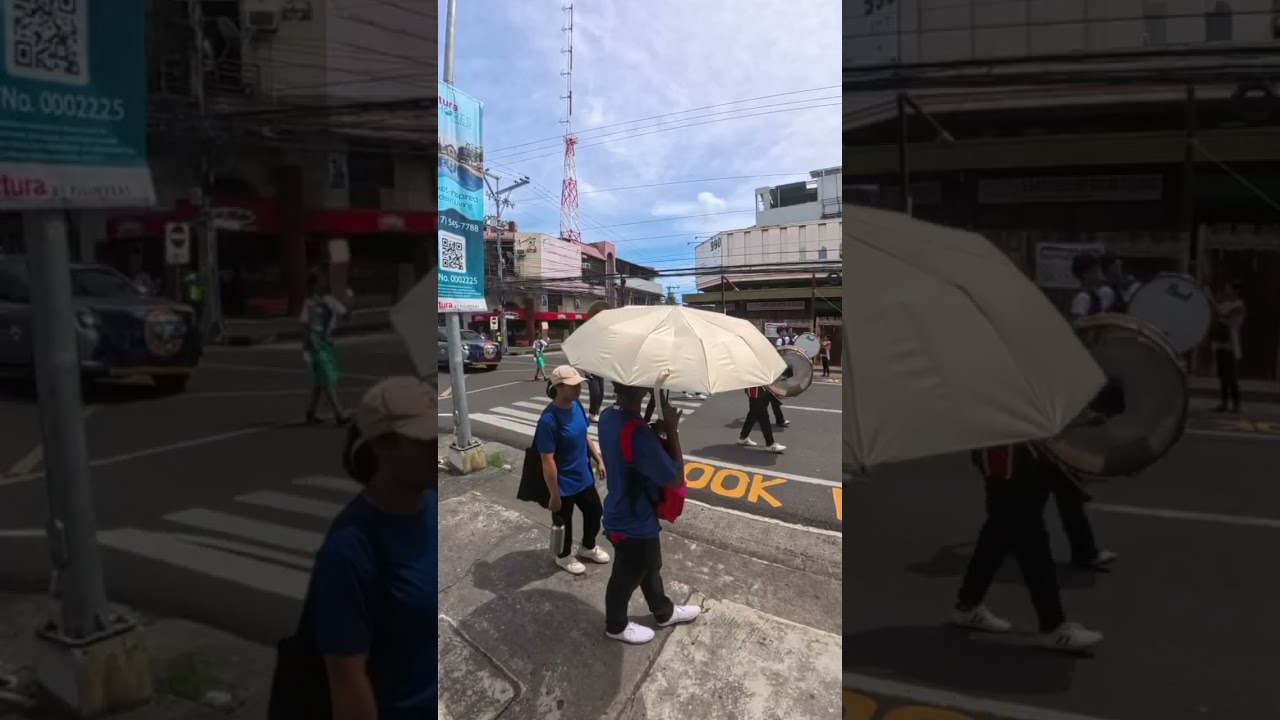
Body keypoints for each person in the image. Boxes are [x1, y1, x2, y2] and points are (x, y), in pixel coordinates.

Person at [308, 377, 438, 717]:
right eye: (425, 440)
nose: (438, 447)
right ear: (383, 444)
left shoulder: (435, 503)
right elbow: (347, 680)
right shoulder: (349, 551)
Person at [953, 442, 1104, 652]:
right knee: (1032, 543)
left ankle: (967, 605)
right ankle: (1053, 626)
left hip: (1019, 457)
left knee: (997, 536)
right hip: (1009, 459)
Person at [598, 383, 701, 644]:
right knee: (627, 576)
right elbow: (676, 479)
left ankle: (663, 611)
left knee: (650, 566)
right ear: (644, 388)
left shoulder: (610, 416)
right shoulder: (638, 434)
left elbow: (628, 447)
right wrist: (672, 431)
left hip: (620, 509)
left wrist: (649, 426)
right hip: (633, 522)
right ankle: (616, 625)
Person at [537, 365, 610, 575]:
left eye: (579, 384)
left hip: (583, 476)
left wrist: (598, 459)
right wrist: (554, 494)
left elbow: (584, 435)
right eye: (573, 385)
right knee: (563, 523)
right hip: (563, 483)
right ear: (558, 387)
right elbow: (547, 460)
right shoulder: (549, 420)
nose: (578, 389)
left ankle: (587, 547)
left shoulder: (576, 406)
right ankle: (563, 556)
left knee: (595, 511)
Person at [301, 274, 350, 426]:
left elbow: (346, 316)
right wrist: (307, 342)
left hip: (327, 344)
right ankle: (339, 414)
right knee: (327, 379)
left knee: (320, 380)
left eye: (322, 282)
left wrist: (348, 302)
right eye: (317, 283)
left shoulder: (330, 301)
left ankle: (311, 412)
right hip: (316, 344)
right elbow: (305, 324)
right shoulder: (309, 303)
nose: (322, 285)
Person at [1211, 280, 1246, 413]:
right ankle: (1224, 402)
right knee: (1222, 375)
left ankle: (1236, 404)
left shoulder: (1239, 305)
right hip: (1220, 343)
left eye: (1229, 288)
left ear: (1236, 290)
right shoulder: (1225, 303)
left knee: (1231, 376)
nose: (1226, 291)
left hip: (1230, 344)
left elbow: (1228, 319)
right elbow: (1217, 313)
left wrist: (1220, 317)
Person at [737, 385, 786, 453]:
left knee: (753, 414)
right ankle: (770, 444)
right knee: (763, 415)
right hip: (756, 389)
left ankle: (743, 437)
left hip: (761, 389)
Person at [1069, 253, 1110, 318]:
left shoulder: (1095, 294)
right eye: (1095, 271)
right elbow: (1078, 323)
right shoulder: (1082, 297)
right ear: (1085, 274)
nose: (1099, 275)